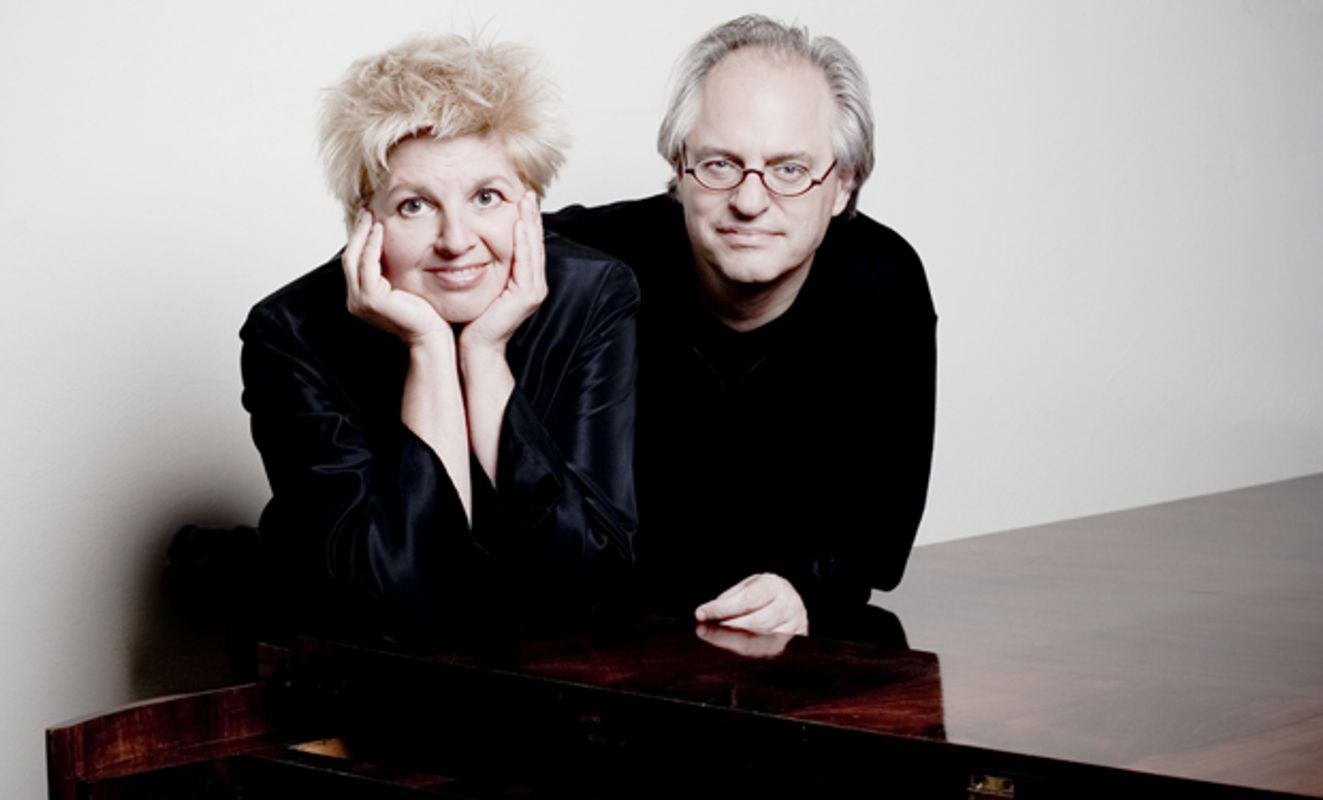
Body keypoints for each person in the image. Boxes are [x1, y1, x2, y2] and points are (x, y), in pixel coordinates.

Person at [547, 15, 935, 637]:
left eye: (789, 170)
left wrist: (804, 591)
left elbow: (877, 546)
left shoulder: (884, 284)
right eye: (721, 164)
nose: (750, 202)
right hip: (609, 648)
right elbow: (453, 243)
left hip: (794, 656)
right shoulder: (597, 263)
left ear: (843, 184)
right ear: (680, 166)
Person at [240, 36, 639, 642]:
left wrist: (484, 356)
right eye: (414, 206)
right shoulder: (290, 332)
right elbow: (397, 600)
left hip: (543, 670)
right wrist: (429, 350)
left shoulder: (593, 297)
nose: (456, 239)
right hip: (351, 672)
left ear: (529, 208)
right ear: (364, 221)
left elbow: (593, 578)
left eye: (487, 197)